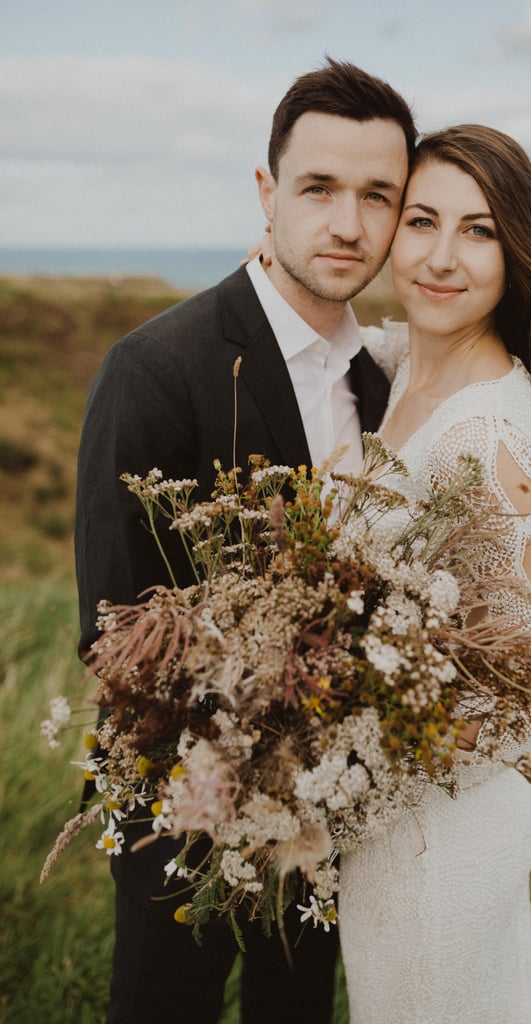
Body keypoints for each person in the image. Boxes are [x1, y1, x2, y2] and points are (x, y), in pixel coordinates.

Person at [74, 58, 415, 1024]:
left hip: (336, 797)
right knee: (165, 1004)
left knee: (300, 1005)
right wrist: (224, 774)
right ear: (268, 193)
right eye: (318, 188)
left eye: (376, 195)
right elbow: (111, 622)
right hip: (186, 796)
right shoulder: (156, 367)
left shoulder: (387, 381)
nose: (347, 223)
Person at [337, 125, 531, 1023]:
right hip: (386, 825)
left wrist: (381, 763)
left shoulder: (485, 436)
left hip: (441, 826)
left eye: (478, 231)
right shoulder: (406, 366)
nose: (441, 257)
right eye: (420, 221)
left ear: (514, 251)